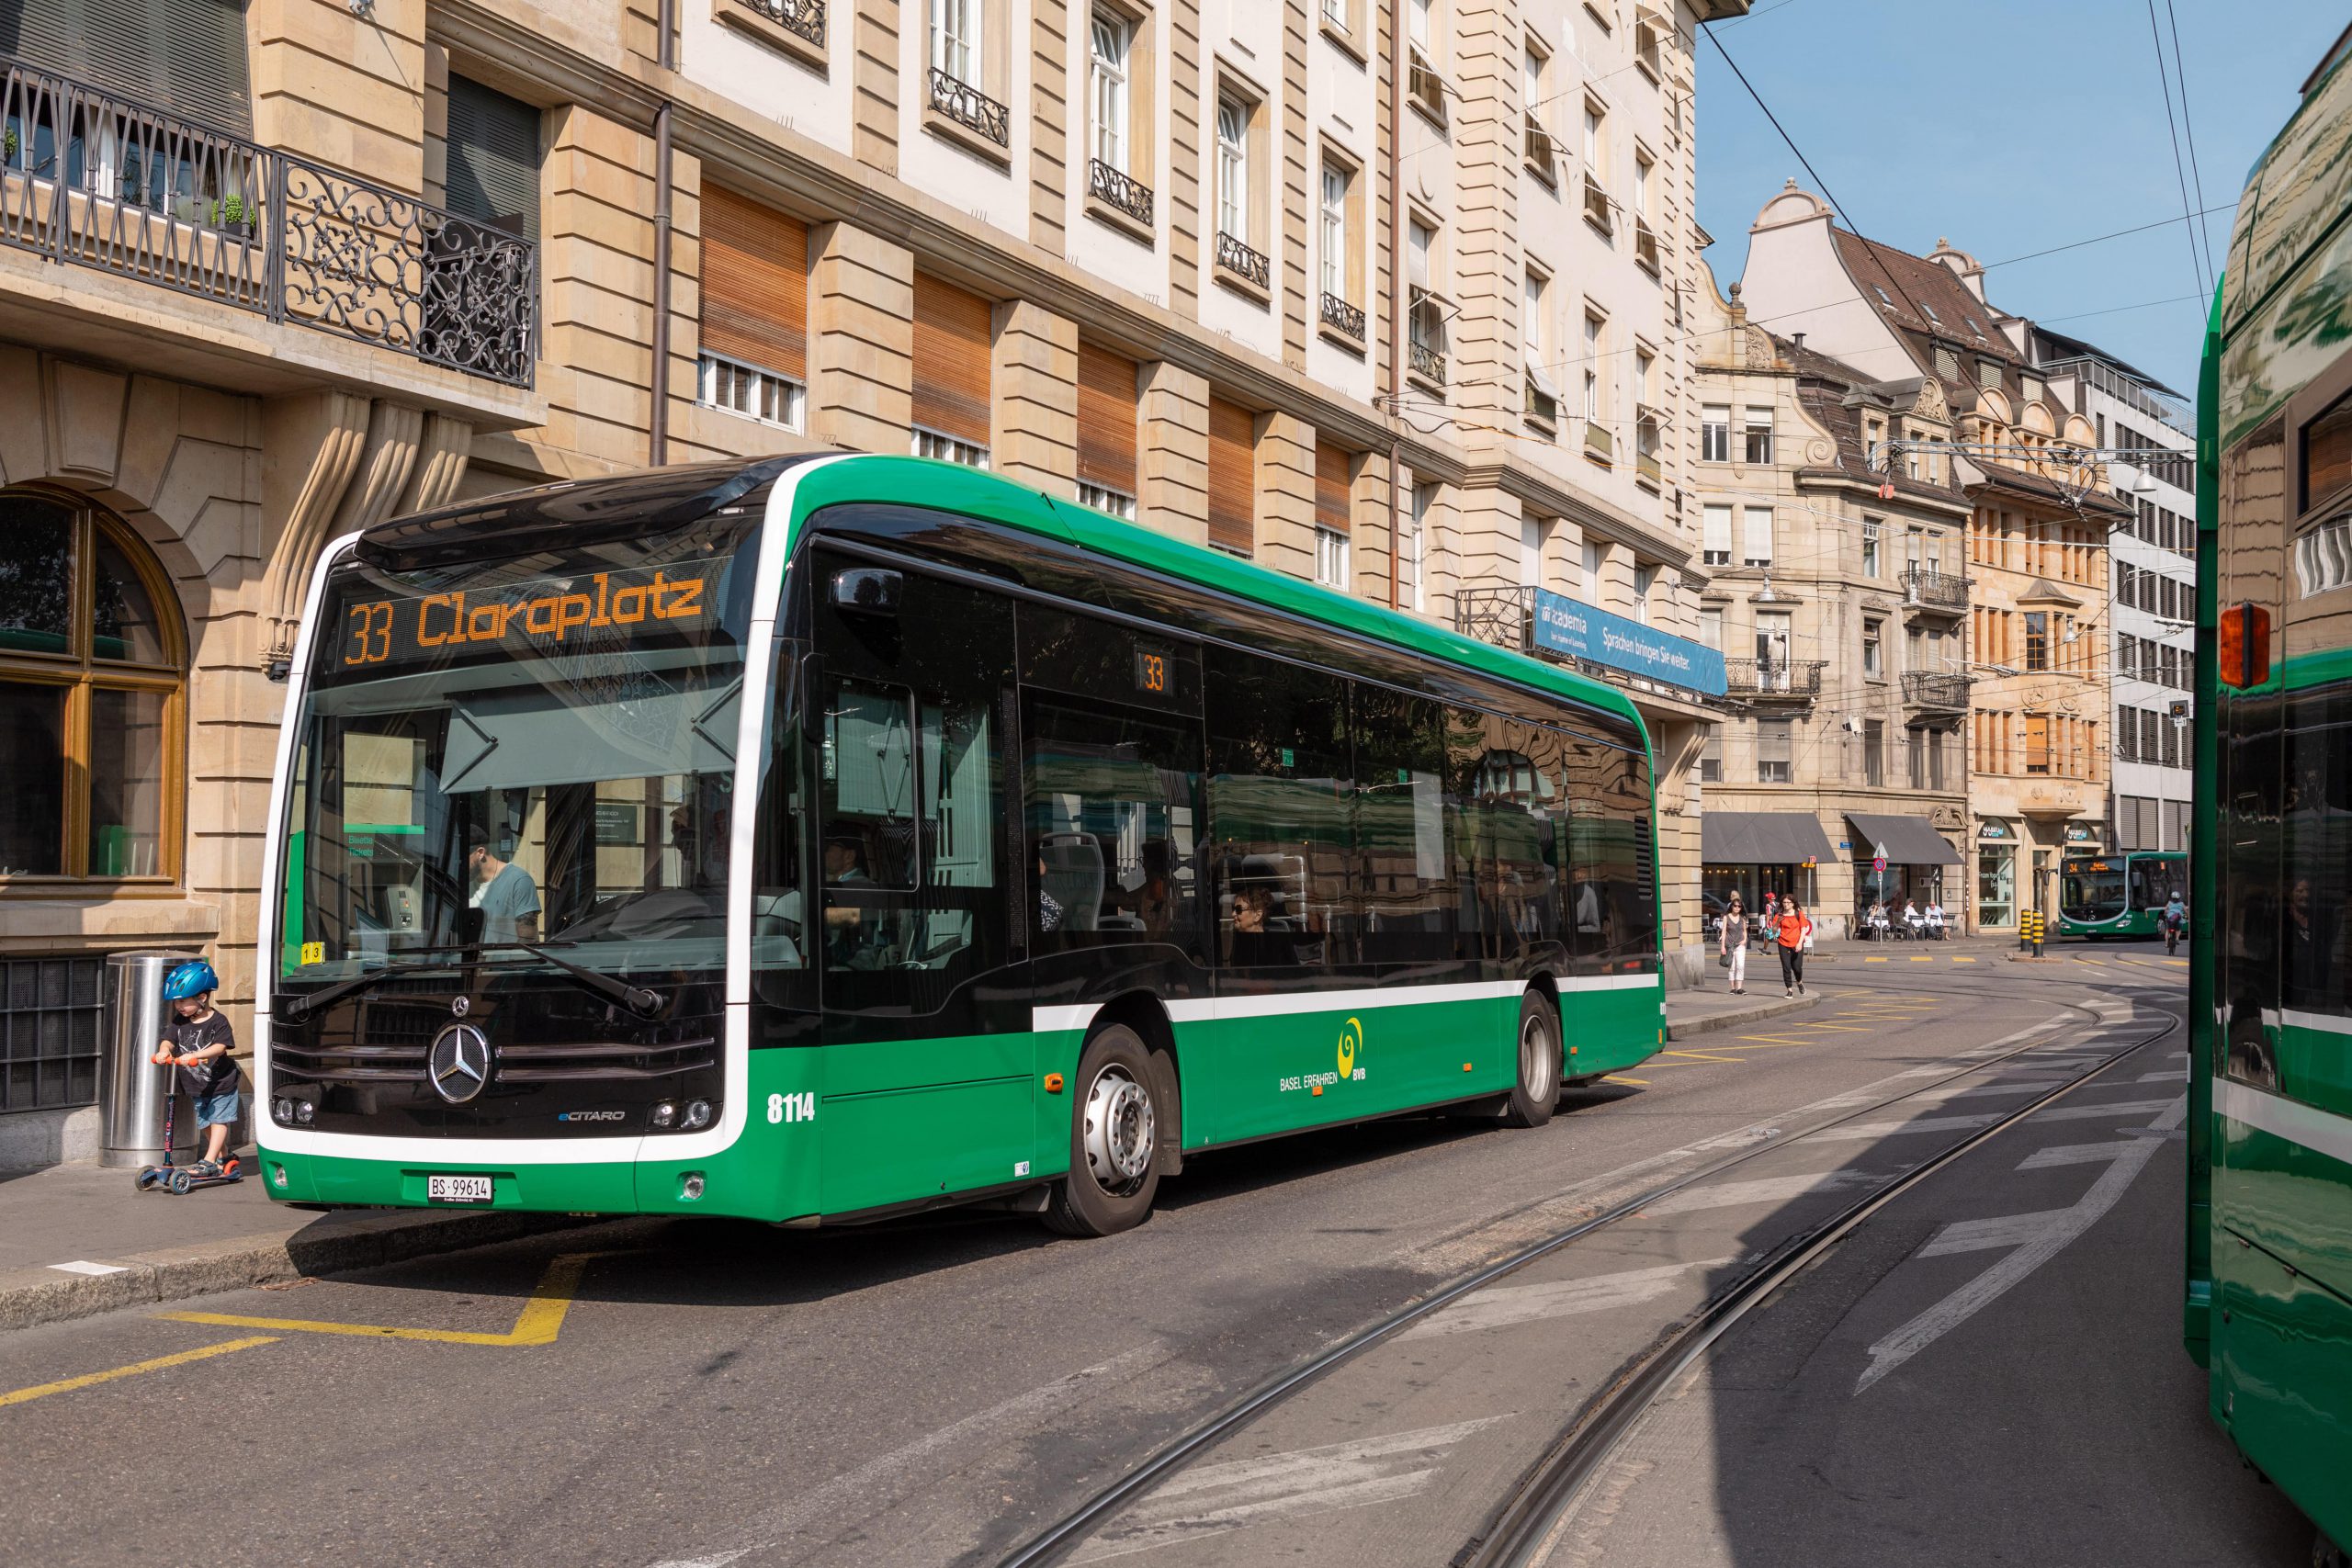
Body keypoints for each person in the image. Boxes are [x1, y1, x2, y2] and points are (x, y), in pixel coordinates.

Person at [149, 959, 238, 1178]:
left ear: (202, 998)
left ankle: (208, 1160)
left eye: (182, 1002)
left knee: (218, 1119)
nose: (178, 1007)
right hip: (195, 1085)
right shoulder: (180, 1021)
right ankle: (224, 1157)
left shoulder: (218, 1021)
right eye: (176, 1003)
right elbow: (168, 1040)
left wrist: (196, 1055)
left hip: (220, 1082)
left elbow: (221, 1046)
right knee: (205, 1122)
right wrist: (164, 1051)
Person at [467, 842, 540, 944]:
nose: (458, 863)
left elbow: (528, 939)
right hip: (471, 959)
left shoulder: (518, 880)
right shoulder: (465, 886)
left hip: (507, 959)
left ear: (480, 853)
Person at [1774, 897, 1814, 997]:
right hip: (1783, 943)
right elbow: (1774, 931)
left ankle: (1799, 982)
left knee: (1797, 968)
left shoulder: (1798, 914)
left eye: (1788, 902)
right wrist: (1778, 922)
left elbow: (1803, 929)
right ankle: (1789, 990)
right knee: (1786, 967)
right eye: (1784, 902)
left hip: (1797, 943)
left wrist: (1800, 943)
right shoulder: (1779, 915)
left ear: (1793, 904)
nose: (1786, 904)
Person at [1721, 895, 1750, 995]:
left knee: (1740, 966)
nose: (1737, 908)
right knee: (1732, 967)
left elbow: (1745, 931)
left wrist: (1745, 940)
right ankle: (1733, 988)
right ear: (1731, 906)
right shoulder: (1726, 917)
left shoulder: (1742, 918)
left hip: (1740, 945)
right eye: (1735, 906)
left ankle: (1739, 988)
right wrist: (1723, 947)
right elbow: (1724, 932)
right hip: (1729, 945)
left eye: (1739, 906)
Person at [2163, 888, 2187, 956]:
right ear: (2179, 898)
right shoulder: (2181, 904)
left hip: (2169, 919)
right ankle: (2177, 938)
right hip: (2178, 920)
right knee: (2178, 929)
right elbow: (2185, 911)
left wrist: (2165, 914)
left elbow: (2165, 910)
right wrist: (2188, 916)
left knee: (2167, 930)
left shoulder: (2169, 903)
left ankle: (2166, 943)